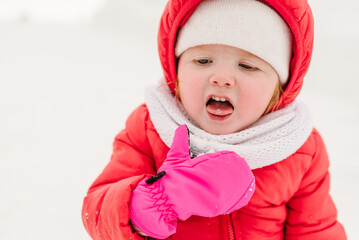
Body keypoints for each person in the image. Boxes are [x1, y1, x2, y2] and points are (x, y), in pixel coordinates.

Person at [82, 0, 347, 239]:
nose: (221, 77)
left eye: (247, 66)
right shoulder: (151, 127)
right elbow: (98, 214)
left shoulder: (298, 148)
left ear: (280, 85)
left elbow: (316, 230)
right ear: (176, 70)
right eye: (203, 60)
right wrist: (157, 200)